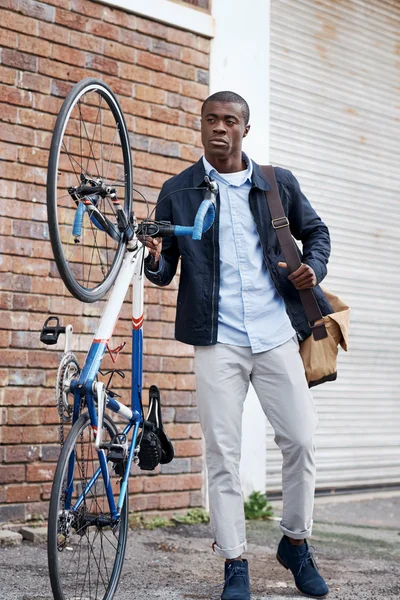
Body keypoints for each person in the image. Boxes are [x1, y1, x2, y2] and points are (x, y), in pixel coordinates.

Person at [144, 91, 331, 600]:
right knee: (222, 453)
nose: (219, 128)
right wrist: (154, 258)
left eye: (230, 120)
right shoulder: (177, 191)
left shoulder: (276, 182)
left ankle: (296, 542)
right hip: (217, 338)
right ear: (201, 126)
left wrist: (315, 266)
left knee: (301, 440)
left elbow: (316, 232)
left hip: (274, 333)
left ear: (245, 129)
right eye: (211, 119)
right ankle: (234, 562)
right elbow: (165, 271)